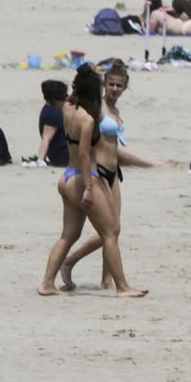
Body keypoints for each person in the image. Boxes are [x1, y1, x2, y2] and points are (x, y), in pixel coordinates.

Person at [37, 66, 143, 298]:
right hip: (83, 178)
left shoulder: (68, 108)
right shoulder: (87, 118)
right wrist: (88, 187)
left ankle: (47, 283)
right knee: (111, 232)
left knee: (69, 235)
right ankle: (122, 287)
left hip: (66, 176)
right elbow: (85, 156)